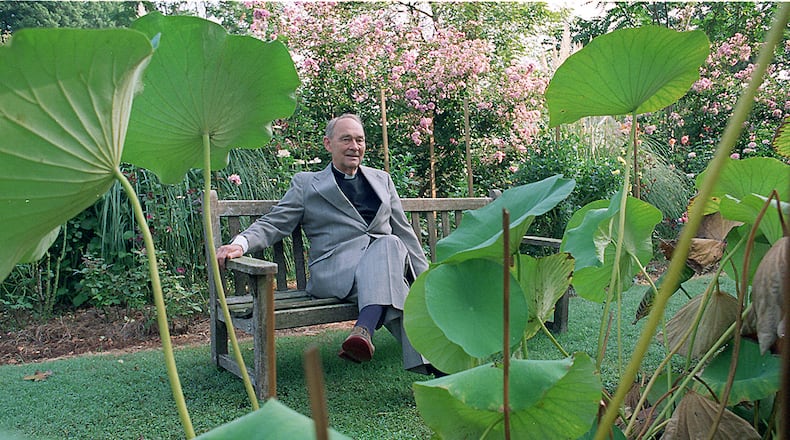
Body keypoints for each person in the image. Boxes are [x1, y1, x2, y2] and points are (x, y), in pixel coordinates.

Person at [216, 113, 440, 376]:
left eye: (360, 140)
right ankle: (435, 364)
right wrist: (241, 243)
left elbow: (405, 234)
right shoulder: (307, 184)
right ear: (328, 144)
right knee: (392, 266)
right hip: (334, 273)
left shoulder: (382, 180)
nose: (354, 146)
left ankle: (372, 335)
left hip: (378, 274)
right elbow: (275, 223)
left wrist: (425, 280)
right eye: (346, 139)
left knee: (391, 251)